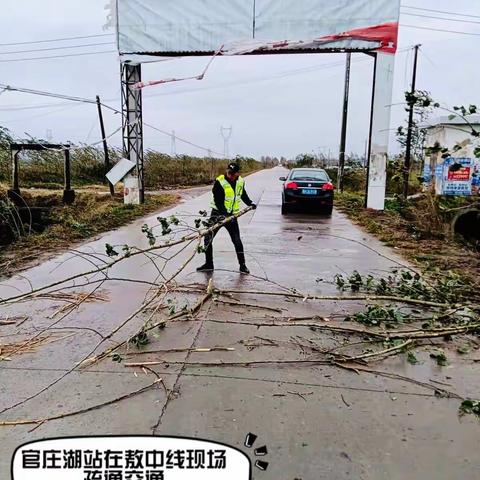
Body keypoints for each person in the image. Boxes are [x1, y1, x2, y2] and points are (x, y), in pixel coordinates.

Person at [197, 162, 256, 274]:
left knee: (237, 241)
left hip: (232, 216)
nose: (230, 175)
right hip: (217, 215)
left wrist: (250, 203)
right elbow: (218, 202)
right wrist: (225, 215)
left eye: (233, 173)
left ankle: (242, 266)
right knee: (208, 239)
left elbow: (242, 194)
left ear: (238, 174)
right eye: (229, 172)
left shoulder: (240, 182)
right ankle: (209, 264)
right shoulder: (220, 182)